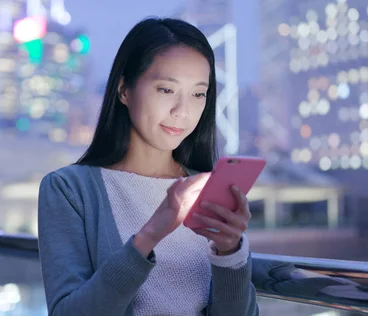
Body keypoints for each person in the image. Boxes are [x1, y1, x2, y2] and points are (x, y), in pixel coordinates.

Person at [37, 17, 258, 316]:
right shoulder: (69, 189)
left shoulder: (207, 189)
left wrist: (230, 253)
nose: (182, 111)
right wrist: (151, 234)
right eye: (166, 90)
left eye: (197, 94)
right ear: (124, 90)